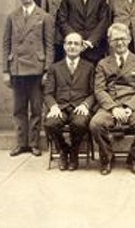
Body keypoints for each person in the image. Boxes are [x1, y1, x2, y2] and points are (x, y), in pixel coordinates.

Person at [90, 23, 135, 176]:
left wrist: (129, 108)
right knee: (95, 124)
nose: (119, 43)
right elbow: (99, 89)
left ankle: (134, 157)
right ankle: (107, 157)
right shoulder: (103, 63)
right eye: (115, 40)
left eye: (123, 39)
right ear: (110, 42)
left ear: (130, 39)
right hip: (110, 106)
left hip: (133, 106)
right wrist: (113, 108)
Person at [3, 0, 54, 157]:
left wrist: (47, 70)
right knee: (19, 109)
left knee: (36, 109)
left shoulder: (44, 16)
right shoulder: (12, 16)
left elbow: (49, 45)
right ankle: (20, 143)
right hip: (17, 68)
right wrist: (5, 71)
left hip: (36, 69)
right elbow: (6, 44)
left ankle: (33, 143)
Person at [43, 32, 95, 171]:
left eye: (76, 44)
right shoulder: (54, 68)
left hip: (79, 107)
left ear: (81, 47)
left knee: (80, 123)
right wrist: (53, 107)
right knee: (50, 124)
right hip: (60, 106)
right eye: (69, 43)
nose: (72, 46)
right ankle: (63, 150)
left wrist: (86, 105)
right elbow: (48, 93)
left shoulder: (89, 67)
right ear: (65, 46)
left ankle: (74, 152)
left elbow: (94, 93)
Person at [57, 0, 109, 65]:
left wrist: (91, 41)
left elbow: (103, 22)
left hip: (94, 50)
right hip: (73, 49)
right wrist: (76, 39)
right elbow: (61, 19)